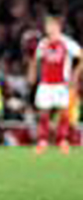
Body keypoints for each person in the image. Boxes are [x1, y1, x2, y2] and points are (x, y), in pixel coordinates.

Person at [27, 15, 82, 155]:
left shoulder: (67, 42)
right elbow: (35, 60)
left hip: (61, 84)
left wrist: (75, 75)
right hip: (45, 83)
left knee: (64, 112)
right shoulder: (43, 43)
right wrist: (32, 74)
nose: (48, 28)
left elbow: (81, 56)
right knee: (43, 112)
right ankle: (42, 141)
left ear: (58, 27)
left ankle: (62, 140)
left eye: (51, 25)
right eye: (47, 26)